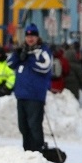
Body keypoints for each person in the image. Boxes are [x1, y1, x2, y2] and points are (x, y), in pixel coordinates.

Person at [7, 24, 53, 153]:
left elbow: (45, 66)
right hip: (21, 94)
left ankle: (38, 150)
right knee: (23, 126)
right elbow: (10, 63)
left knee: (34, 125)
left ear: (37, 37)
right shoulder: (23, 50)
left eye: (33, 36)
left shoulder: (43, 51)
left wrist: (29, 58)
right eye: (28, 36)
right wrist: (18, 54)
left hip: (35, 95)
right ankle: (27, 151)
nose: (30, 38)